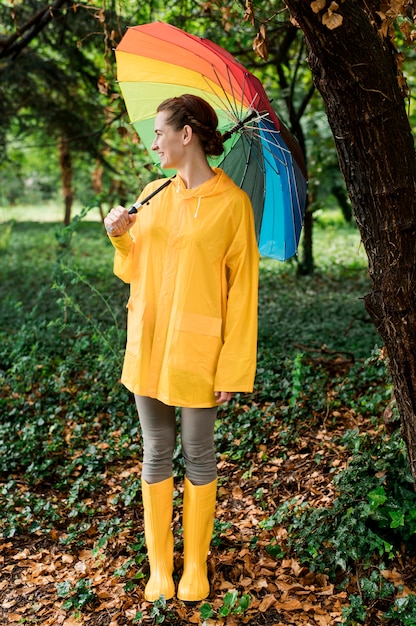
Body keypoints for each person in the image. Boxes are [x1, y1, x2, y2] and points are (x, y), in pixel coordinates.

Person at [104, 94, 259, 603]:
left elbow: (244, 294)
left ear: (185, 134)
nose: (154, 144)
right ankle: (159, 568)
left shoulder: (232, 204)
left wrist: (232, 368)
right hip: (148, 341)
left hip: (198, 350)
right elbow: (132, 270)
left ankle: (195, 564)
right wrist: (120, 237)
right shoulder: (152, 196)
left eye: (158, 133)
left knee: (198, 453)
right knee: (155, 451)